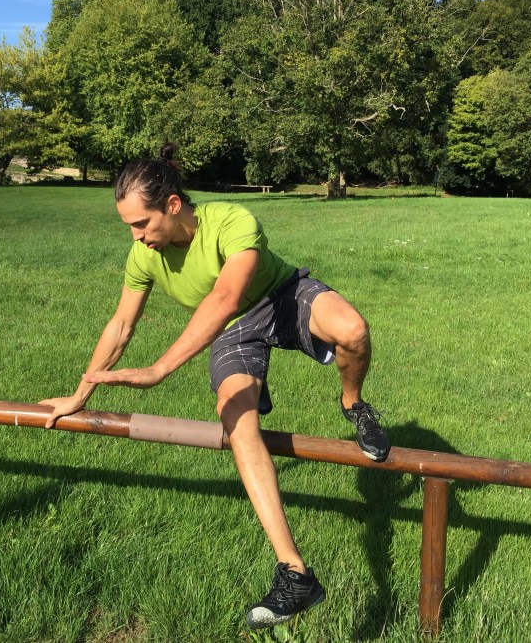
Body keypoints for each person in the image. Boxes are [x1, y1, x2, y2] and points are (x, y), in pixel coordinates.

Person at [40, 146, 390, 630]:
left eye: (142, 223)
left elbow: (225, 296)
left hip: (282, 296)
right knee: (239, 427)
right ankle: (295, 574)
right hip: (237, 332)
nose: (137, 237)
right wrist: (80, 394)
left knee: (352, 329)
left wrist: (160, 369)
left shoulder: (231, 221)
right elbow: (121, 325)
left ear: (174, 205)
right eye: (129, 228)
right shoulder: (143, 256)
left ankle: (353, 404)